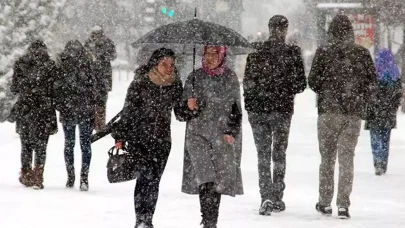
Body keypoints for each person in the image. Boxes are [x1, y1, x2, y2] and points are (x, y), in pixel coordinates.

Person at [308, 15, 377, 219]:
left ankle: (324, 202)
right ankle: (343, 205)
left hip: (328, 112)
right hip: (352, 113)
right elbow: (372, 83)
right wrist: (357, 94)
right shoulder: (361, 53)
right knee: (347, 159)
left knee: (327, 158)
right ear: (350, 31)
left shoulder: (323, 52)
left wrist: (328, 90)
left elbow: (312, 81)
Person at [112, 48, 185, 228]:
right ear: (155, 64)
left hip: (162, 140)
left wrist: (191, 106)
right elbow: (128, 112)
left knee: (154, 181)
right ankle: (141, 219)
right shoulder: (140, 84)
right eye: (164, 64)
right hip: (140, 139)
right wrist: (121, 136)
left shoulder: (175, 84)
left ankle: (148, 218)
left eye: (172, 65)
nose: (169, 68)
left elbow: (180, 114)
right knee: (144, 178)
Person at [243, 15, 307, 215]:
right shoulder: (292, 53)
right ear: (285, 30)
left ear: (269, 28)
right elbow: (300, 85)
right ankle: (278, 196)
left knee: (262, 154)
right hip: (282, 110)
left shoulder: (256, 51)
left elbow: (247, 82)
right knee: (279, 153)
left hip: (258, 110)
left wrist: (251, 105)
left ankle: (266, 196)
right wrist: (284, 87)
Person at [182, 46, 243, 228]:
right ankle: (208, 219)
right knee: (205, 177)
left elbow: (236, 109)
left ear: (223, 55)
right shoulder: (194, 77)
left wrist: (231, 132)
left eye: (215, 53)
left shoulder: (230, 78)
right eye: (207, 53)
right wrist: (188, 106)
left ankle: (211, 219)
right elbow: (180, 113)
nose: (210, 58)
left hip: (221, 135)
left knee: (217, 180)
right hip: (197, 135)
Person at [11, 40, 58, 190]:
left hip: (25, 108)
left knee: (25, 145)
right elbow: (54, 89)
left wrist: (27, 90)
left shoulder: (21, 63)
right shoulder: (50, 65)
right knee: (41, 145)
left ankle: (26, 174)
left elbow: (14, 88)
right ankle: (38, 175)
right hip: (44, 110)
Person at [54, 40, 97, 191]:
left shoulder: (62, 65)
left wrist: (60, 105)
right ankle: (84, 177)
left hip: (68, 110)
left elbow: (57, 88)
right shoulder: (87, 64)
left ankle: (70, 176)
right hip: (85, 110)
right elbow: (93, 88)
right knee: (85, 145)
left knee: (69, 144)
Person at [365, 49, 402, 176]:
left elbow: (368, 92)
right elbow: (398, 95)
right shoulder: (395, 74)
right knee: (385, 139)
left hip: (374, 112)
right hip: (388, 113)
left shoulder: (374, 72)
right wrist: (393, 107)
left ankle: (377, 163)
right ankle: (383, 163)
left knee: (375, 138)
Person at [84, 25, 116, 132]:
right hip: (96, 76)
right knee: (95, 102)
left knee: (99, 102)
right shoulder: (89, 43)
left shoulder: (106, 43)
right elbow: (84, 57)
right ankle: (97, 125)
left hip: (99, 76)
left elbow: (113, 55)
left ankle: (99, 125)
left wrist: (102, 55)